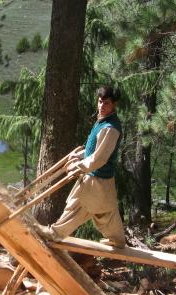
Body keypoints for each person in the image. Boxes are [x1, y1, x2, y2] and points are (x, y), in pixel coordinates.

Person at [37, 85, 126, 248]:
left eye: (106, 103)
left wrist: (77, 166)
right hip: (96, 177)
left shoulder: (110, 128)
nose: (101, 106)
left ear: (114, 105)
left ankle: (55, 233)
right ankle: (118, 241)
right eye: (100, 102)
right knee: (106, 213)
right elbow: (93, 151)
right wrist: (78, 155)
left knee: (76, 206)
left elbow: (99, 158)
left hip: (97, 178)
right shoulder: (102, 121)